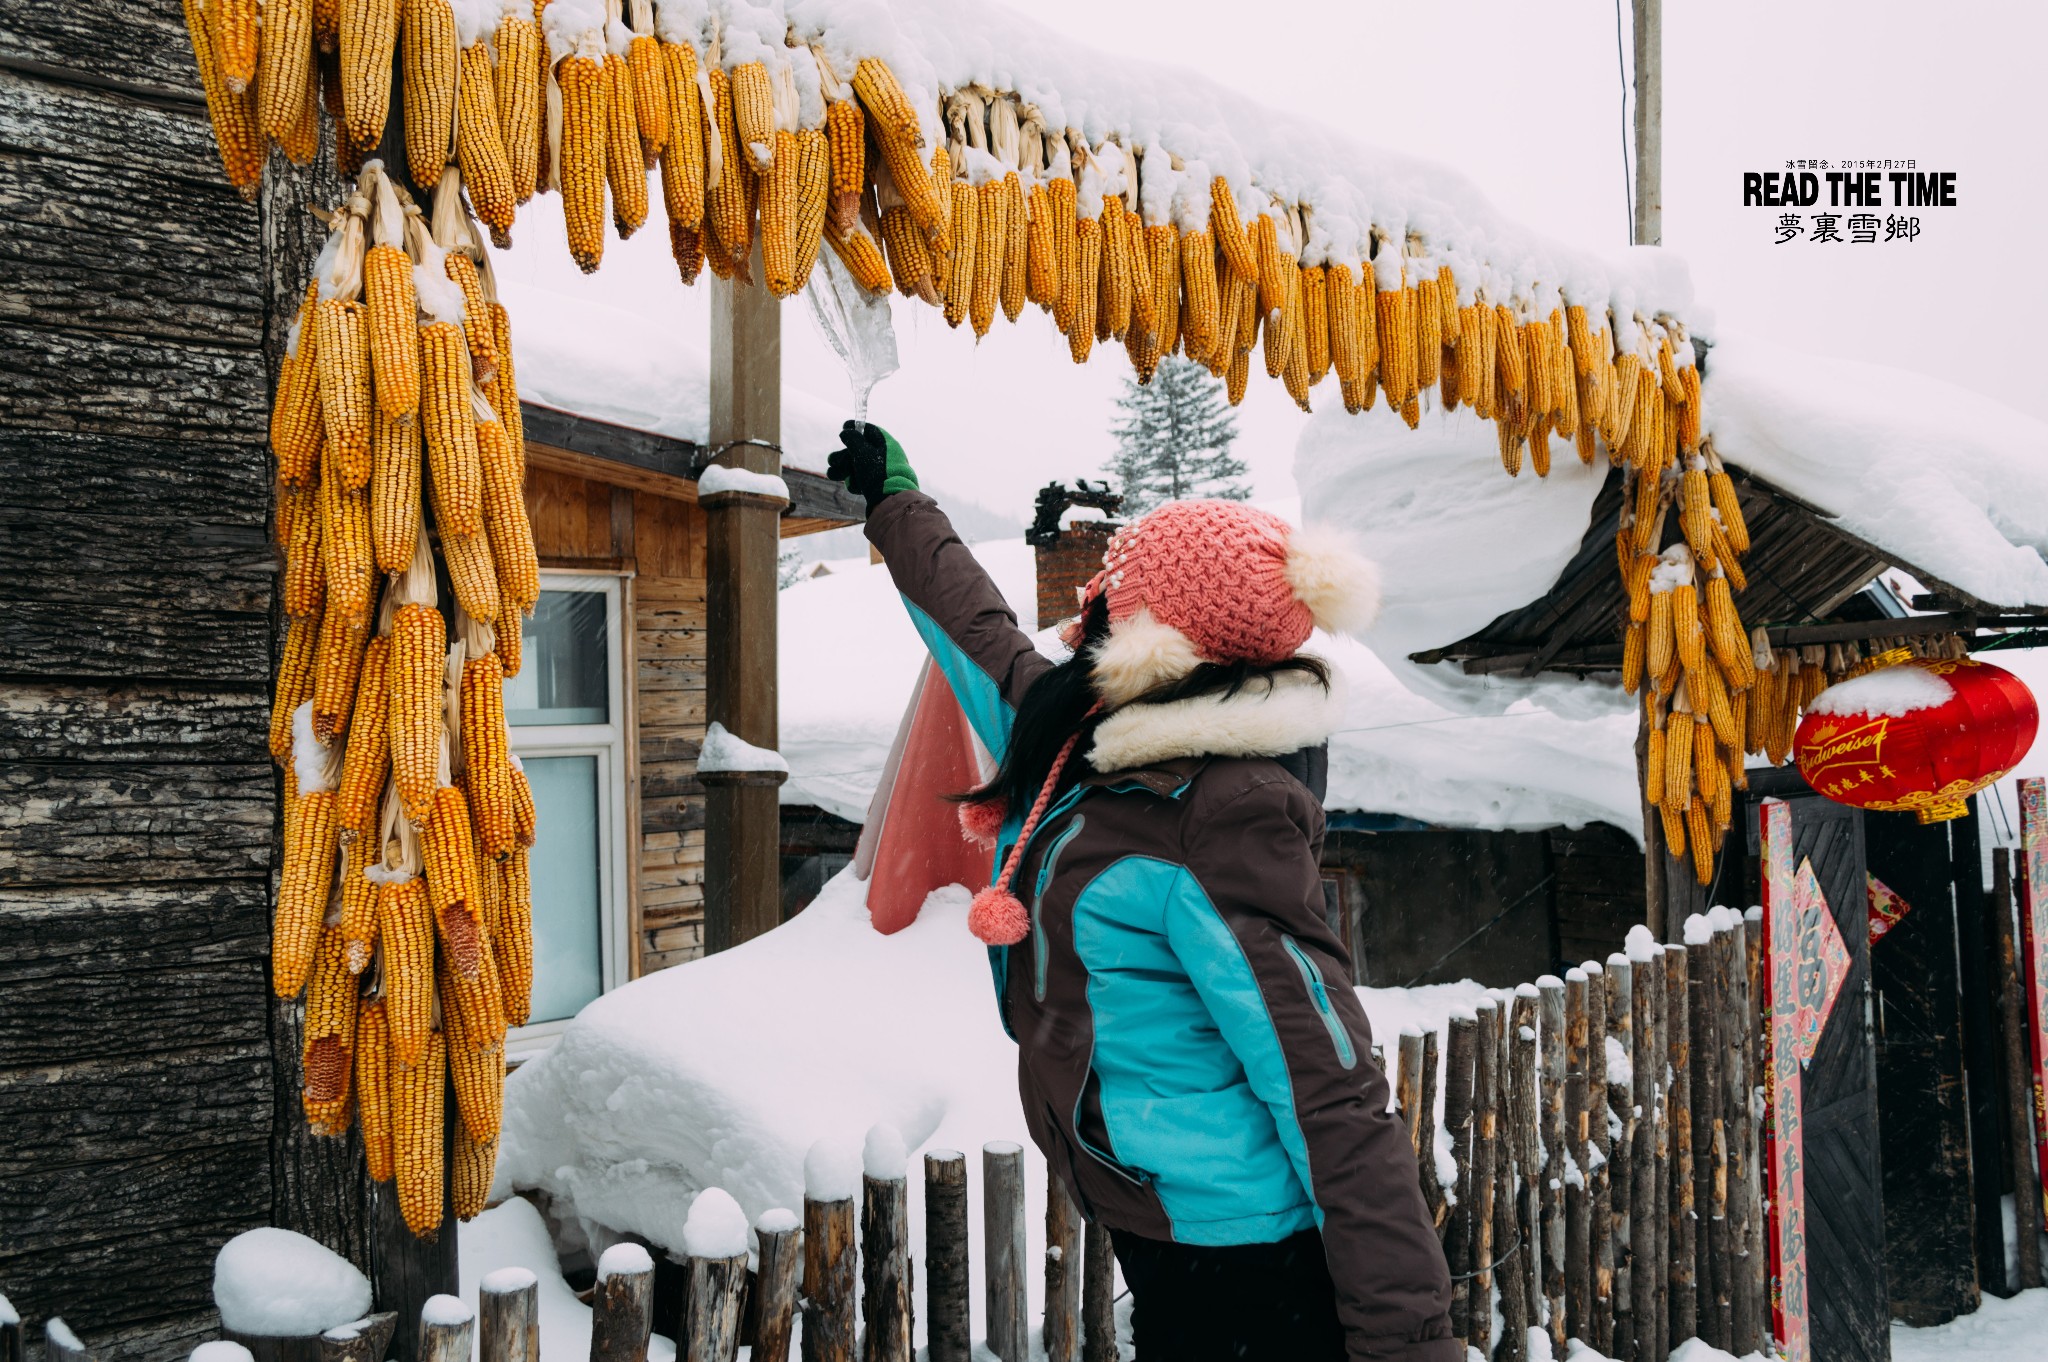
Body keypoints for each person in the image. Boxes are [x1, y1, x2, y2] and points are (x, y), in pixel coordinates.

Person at [831, 423, 1458, 1362]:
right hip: (1160, 1225)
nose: (1086, 612)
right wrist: (898, 507)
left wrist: (1409, 1342)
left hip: (1245, 1262)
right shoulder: (1093, 749)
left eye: (1108, 601)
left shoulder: (1221, 822)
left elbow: (1327, 1083)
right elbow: (983, 637)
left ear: (1160, 642)